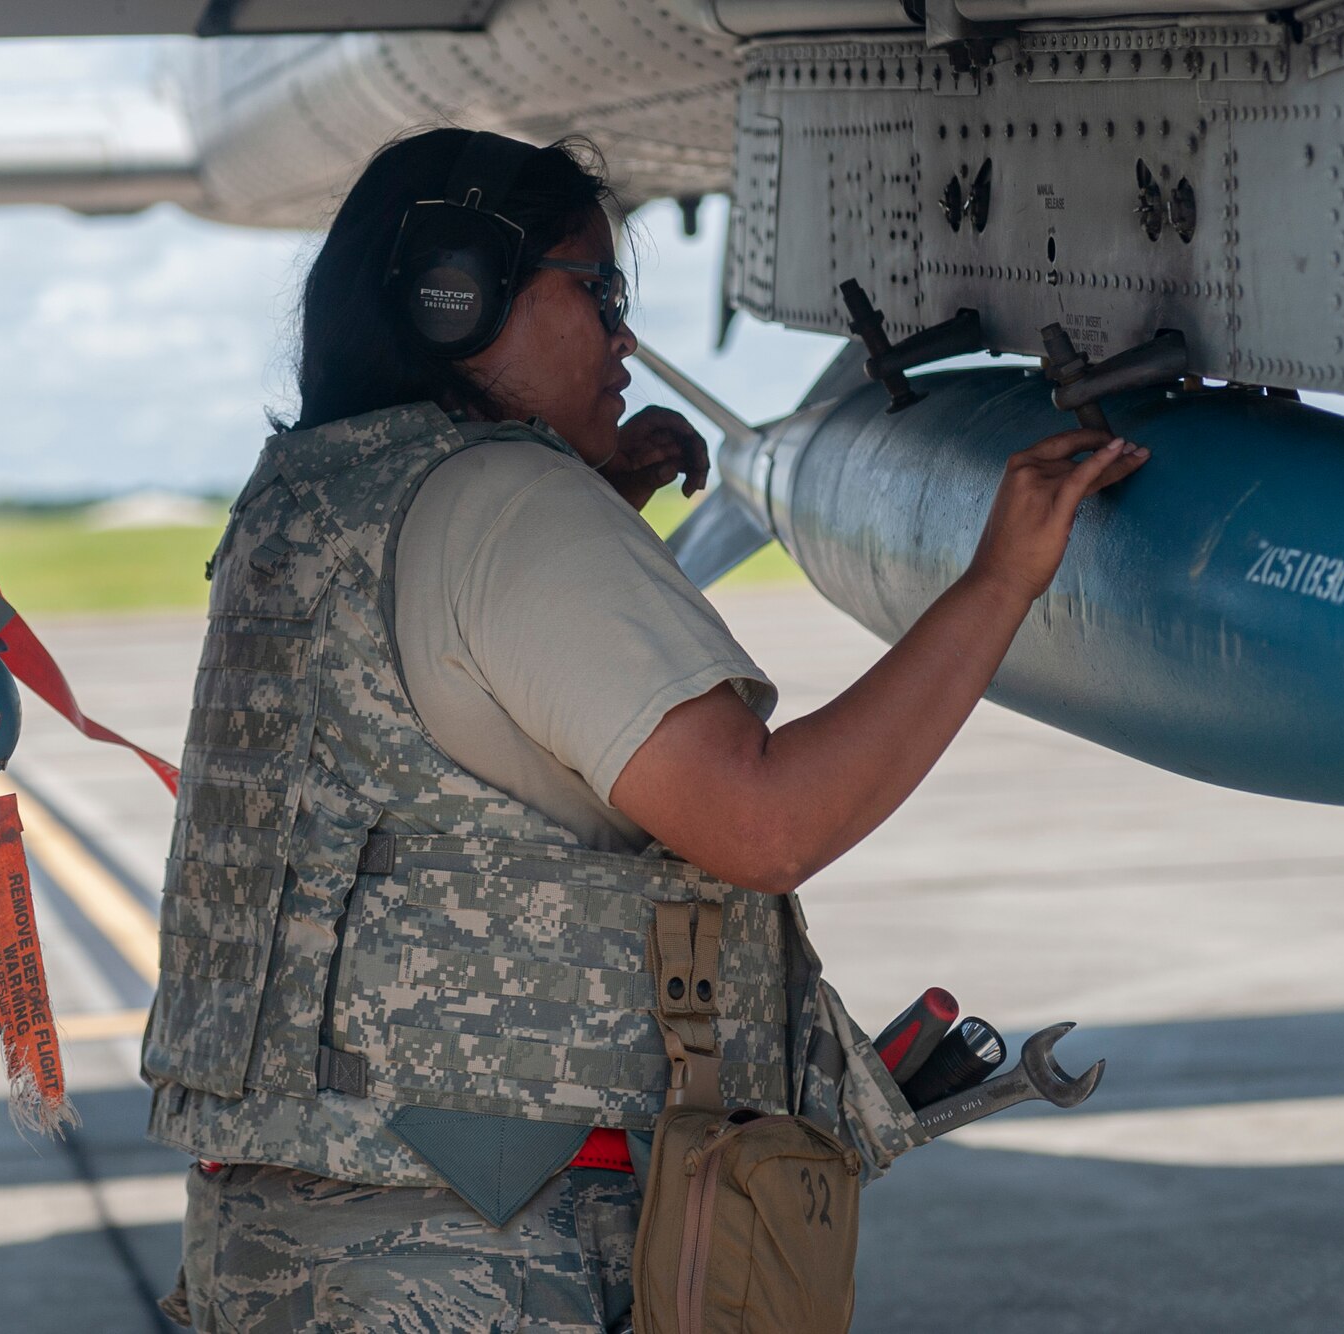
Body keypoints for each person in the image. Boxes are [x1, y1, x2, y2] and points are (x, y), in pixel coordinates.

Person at [145, 127, 1146, 1333]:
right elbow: (764, 822)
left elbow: (443, 726)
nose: (624, 338)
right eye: (598, 291)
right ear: (455, 298)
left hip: (282, 1249)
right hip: (478, 1261)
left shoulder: (303, 499)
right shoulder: (512, 507)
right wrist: (999, 579)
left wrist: (598, 507)